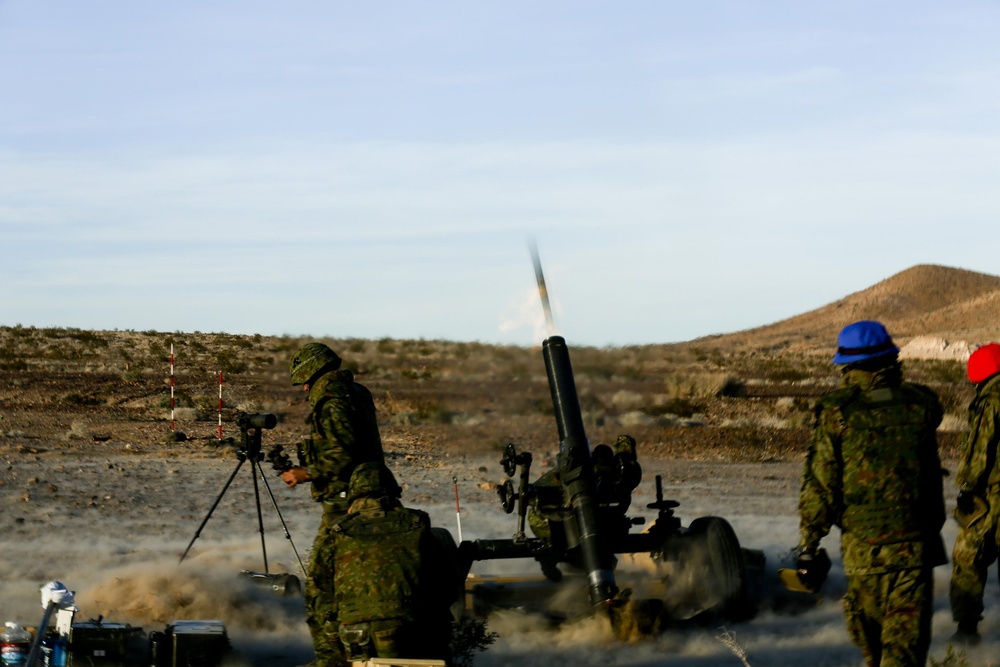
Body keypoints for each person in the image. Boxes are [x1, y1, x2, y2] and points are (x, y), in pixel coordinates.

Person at [796, 320, 947, 667]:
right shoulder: (922, 403)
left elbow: (821, 484)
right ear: (891, 357)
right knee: (905, 653)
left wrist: (808, 547)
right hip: (916, 547)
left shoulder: (836, 411)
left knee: (874, 652)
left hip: (865, 551)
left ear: (846, 364)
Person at [282, 342, 386, 667]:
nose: (303, 388)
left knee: (320, 590)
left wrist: (306, 472)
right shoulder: (356, 392)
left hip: (347, 506)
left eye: (304, 381)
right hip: (369, 495)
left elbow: (344, 452)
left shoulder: (331, 400)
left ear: (313, 374)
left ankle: (330, 661)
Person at [332, 462, 454, 663]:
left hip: (357, 636)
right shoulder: (416, 523)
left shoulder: (338, 531)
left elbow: (318, 596)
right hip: (413, 629)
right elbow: (445, 583)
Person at [949, 342, 1000, 646]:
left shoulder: (991, 401)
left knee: (968, 558)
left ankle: (967, 631)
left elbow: (980, 450)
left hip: (992, 497)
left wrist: (967, 487)